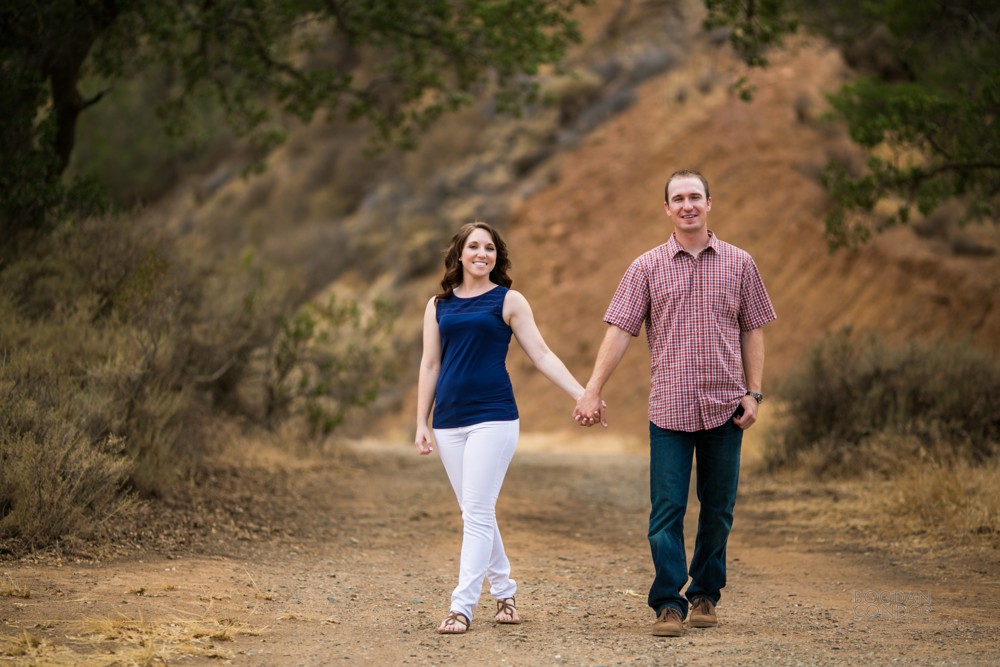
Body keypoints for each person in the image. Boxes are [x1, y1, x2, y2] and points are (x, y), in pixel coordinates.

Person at [573, 169, 776, 637]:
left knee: (719, 507)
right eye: (678, 198)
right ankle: (668, 603)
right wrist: (593, 388)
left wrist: (754, 391)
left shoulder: (741, 263)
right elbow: (620, 330)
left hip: (727, 408)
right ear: (667, 208)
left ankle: (704, 594)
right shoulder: (645, 267)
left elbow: (753, 328)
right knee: (666, 509)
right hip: (669, 410)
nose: (687, 205)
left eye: (695, 197)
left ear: (710, 204)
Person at [415, 221, 590, 635]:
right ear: (459, 254)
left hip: (494, 417)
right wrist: (420, 421)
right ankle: (506, 592)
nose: (481, 253)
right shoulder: (437, 305)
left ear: (497, 256)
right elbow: (430, 364)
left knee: (475, 513)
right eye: (473, 246)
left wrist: (582, 393)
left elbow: (542, 355)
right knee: (476, 511)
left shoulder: (509, 301)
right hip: (448, 422)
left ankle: (462, 607)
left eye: (489, 248)